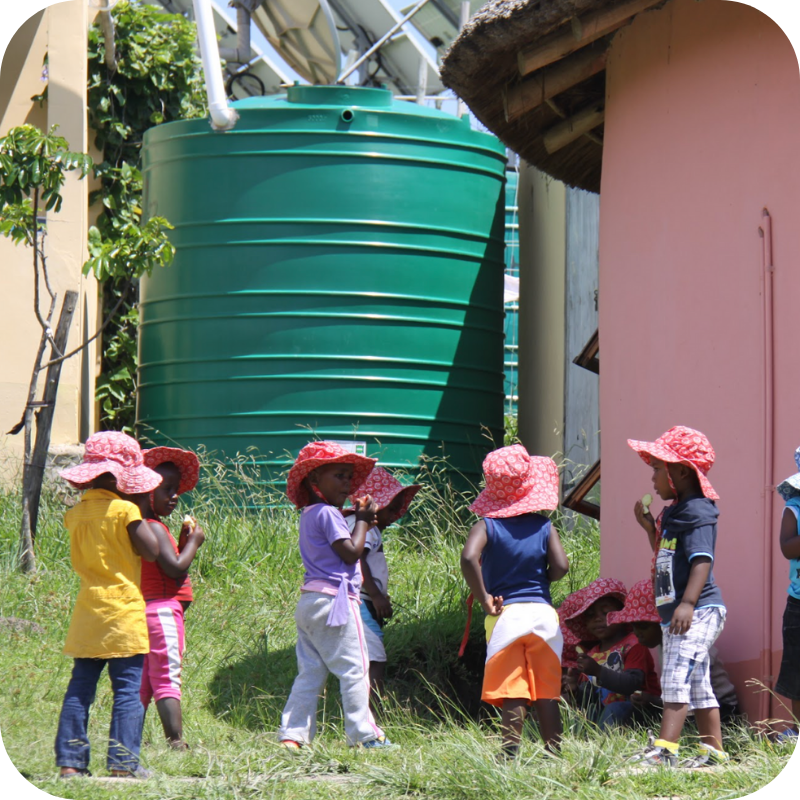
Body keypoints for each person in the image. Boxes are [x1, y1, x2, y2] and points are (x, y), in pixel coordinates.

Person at [54, 432, 162, 779]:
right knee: (128, 689)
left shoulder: (76, 514)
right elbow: (152, 551)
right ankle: (123, 764)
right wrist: (141, 513)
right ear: (121, 478)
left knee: (80, 687)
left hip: (88, 610)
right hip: (123, 611)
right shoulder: (126, 510)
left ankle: (70, 762)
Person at [278, 441, 392, 749]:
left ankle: (293, 735)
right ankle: (365, 734)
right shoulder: (329, 513)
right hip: (336, 602)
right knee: (355, 668)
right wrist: (364, 521)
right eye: (338, 475)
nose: (346, 483)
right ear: (315, 481)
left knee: (311, 673)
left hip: (310, 601)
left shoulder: (309, 514)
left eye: (348, 477)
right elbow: (351, 553)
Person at [627, 426, 727, 767]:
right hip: (681, 613)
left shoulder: (698, 511)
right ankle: (712, 753)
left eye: (657, 469)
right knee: (698, 685)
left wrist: (687, 603)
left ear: (681, 471)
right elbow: (667, 556)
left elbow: (702, 559)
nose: (653, 478)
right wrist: (649, 530)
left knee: (674, 678)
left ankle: (665, 750)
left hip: (698, 610)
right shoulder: (673, 512)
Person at [460, 445, 569, 757]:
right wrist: (542, 581)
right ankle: (554, 751)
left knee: (513, 689)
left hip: (506, 615)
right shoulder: (544, 526)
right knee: (546, 690)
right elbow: (561, 566)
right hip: (544, 615)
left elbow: (469, 557)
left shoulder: (486, 526)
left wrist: (483, 599)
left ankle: (509, 751)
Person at [139, 446, 205, 749]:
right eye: (165, 489)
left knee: (143, 681)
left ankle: (129, 738)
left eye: (175, 489)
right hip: (163, 612)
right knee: (166, 677)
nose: (174, 496)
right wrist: (194, 543)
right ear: (145, 492)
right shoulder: (155, 527)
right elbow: (175, 567)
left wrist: (180, 543)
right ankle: (176, 742)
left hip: (142, 611)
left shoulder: (143, 527)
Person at [344, 467, 421, 711]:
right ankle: (370, 712)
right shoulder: (363, 527)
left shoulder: (357, 524)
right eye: (392, 506)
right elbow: (358, 560)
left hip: (357, 601)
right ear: (373, 506)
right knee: (375, 659)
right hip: (360, 601)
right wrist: (376, 596)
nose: (397, 512)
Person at [562, 578, 660, 729]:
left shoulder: (634, 644)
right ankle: (580, 743)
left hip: (639, 710)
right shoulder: (593, 653)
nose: (597, 618)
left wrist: (598, 671)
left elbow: (632, 684)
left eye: (605, 612)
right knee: (578, 714)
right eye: (590, 615)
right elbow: (589, 700)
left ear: (621, 613)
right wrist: (575, 689)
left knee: (615, 709)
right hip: (603, 714)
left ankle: (602, 745)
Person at [773, 446, 800, 740]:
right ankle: (797, 730)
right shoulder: (794, 509)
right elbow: (787, 547)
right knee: (797, 668)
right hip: (799, 604)